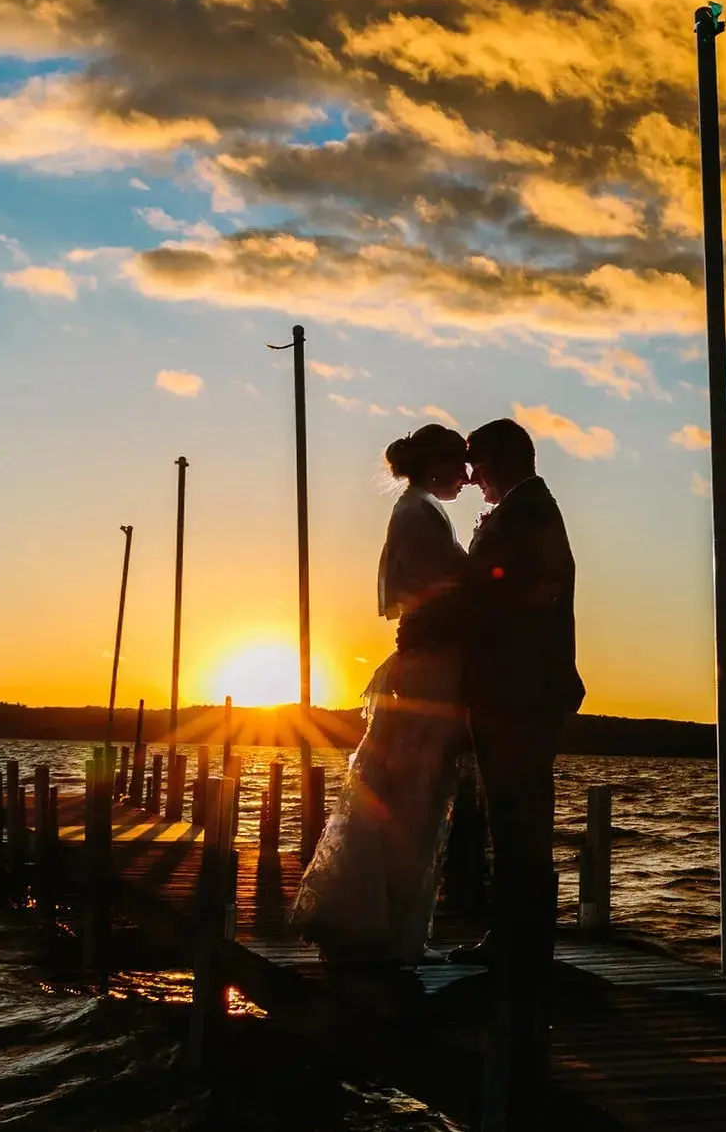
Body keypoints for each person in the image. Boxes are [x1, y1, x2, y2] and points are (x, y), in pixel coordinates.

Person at [397, 416, 582, 1114]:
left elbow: (501, 596)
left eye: (476, 461)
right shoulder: (521, 510)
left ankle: (523, 951)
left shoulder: (529, 513)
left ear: (505, 459)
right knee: (513, 819)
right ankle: (514, 938)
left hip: (522, 693)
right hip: (510, 691)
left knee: (522, 816)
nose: (469, 474)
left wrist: (427, 625)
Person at [288, 423, 472, 963]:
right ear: (436, 464)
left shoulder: (419, 509)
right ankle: (378, 923)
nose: (465, 476)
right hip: (429, 671)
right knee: (411, 794)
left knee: (408, 791)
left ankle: (383, 918)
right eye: (459, 464)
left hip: (428, 664)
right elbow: (436, 596)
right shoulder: (419, 513)